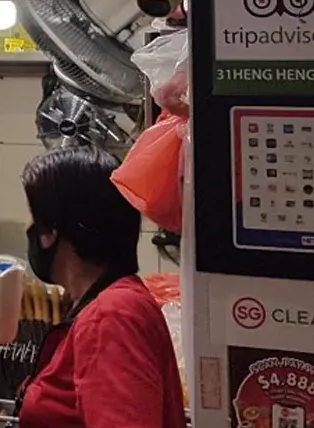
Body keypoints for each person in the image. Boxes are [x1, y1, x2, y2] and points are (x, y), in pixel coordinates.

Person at [17, 147, 185, 428]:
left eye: (34, 216)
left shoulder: (110, 316)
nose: (29, 228)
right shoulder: (111, 302)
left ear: (52, 231)